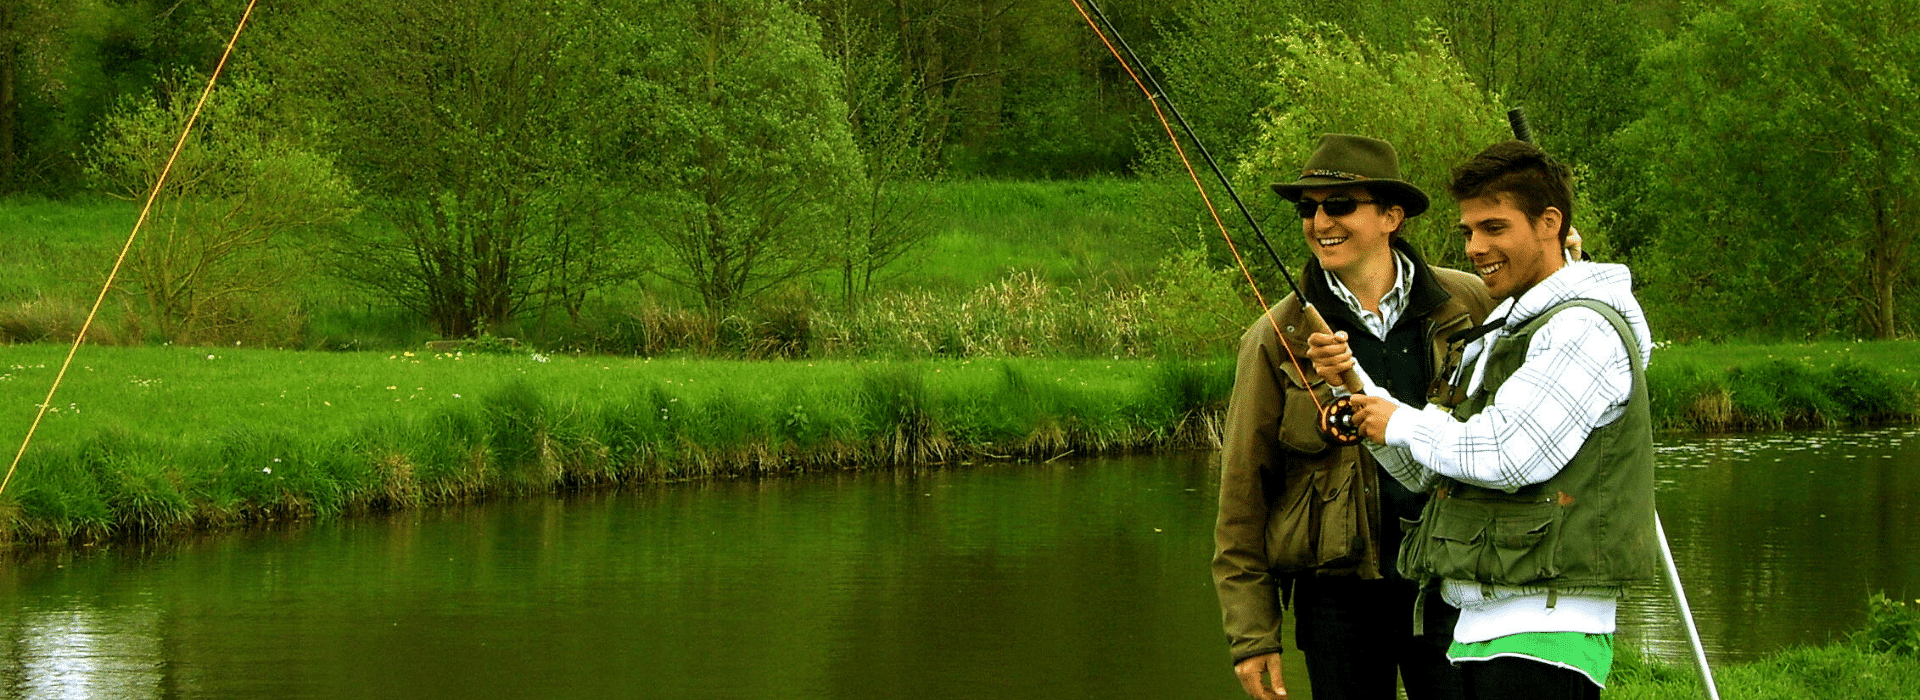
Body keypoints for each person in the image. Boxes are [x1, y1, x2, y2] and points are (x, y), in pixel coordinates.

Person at [1306, 140, 1658, 700]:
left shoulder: (1582, 330)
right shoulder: (1506, 328)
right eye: (1469, 231)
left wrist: (1397, 419)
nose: (1475, 247)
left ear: (1550, 223)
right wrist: (1353, 385)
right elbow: (1428, 470)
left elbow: (1507, 455)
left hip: (1546, 632)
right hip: (1482, 627)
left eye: (1494, 228)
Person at [1213, 133, 1495, 700]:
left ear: (1392, 216)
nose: (1320, 222)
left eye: (1338, 205)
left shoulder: (1472, 301)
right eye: (1308, 209)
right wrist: (1253, 636)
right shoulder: (1274, 338)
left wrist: (1567, 261)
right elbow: (1242, 500)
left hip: (1458, 587)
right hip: (1336, 606)